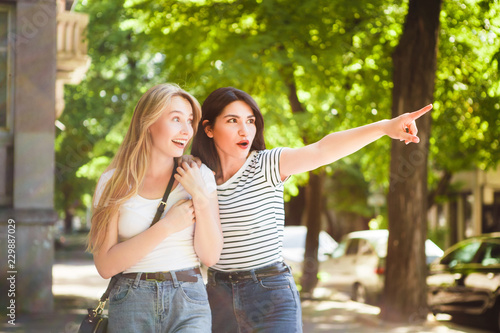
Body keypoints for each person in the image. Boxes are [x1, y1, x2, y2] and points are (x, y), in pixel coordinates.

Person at [190, 86, 432, 332]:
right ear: (208, 128)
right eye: (232, 121)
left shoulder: (267, 164)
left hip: (270, 291)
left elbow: (322, 149)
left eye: (250, 121)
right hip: (218, 295)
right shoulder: (196, 176)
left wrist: (383, 127)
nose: (245, 130)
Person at [88, 83, 223, 333]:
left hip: (188, 299)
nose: (186, 130)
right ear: (148, 123)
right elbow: (105, 266)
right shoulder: (113, 183)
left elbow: (210, 256)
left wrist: (200, 197)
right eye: (176, 119)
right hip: (130, 301)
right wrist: (167, 226)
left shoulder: (199, 176)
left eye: (189, 121)